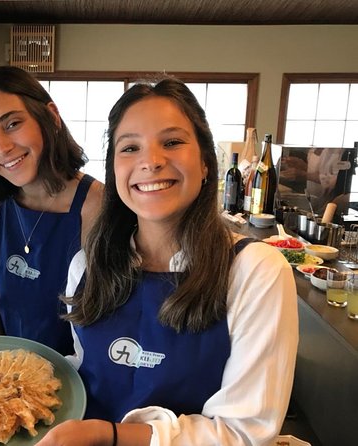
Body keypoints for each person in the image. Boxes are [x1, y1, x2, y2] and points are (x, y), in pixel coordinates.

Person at [37, 77, 298, 445]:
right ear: (114, 169)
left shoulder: (255, 270)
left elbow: (244, 433)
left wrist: (110, 435)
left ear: (207, 163)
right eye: (130, 148)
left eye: (172, 142)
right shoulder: (85, 267)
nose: (151, 162)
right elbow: (88, 374)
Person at [0, 66, 103, 355]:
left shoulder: (97, 204)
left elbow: (103, 320)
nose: (2, 148)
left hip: (78, 379)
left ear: (50, 116)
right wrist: (1, 368)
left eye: (12, 124)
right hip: (9, 377)